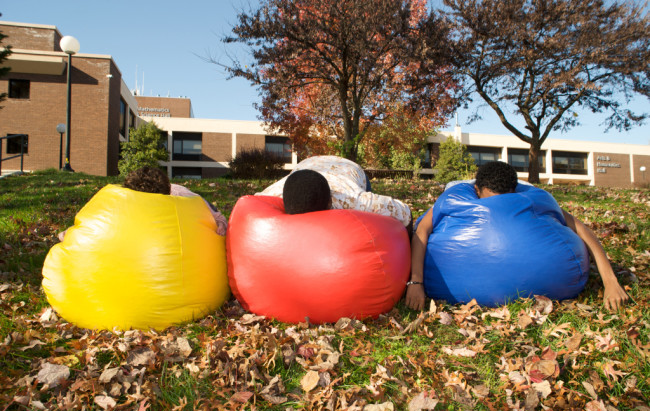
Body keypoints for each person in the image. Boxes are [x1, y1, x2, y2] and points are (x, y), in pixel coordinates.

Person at [406, 161, 629, 312]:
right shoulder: (455, 197)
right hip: (458, 188)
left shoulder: (536, 199)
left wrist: (611, 282)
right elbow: (421, 230)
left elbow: (582, 229)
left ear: (514, 192)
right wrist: (416, 282)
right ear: (477, 190)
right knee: (451, 186)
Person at [58, 167, 227, 240]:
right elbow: (93, 226)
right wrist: (71, 235)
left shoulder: (183, 196)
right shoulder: (122, 202)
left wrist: (220, 226)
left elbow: (218, 217)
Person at [258, 155, 412, 230]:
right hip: (309, 163)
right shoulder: (274, 194)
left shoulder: (353, 200)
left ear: (330, 202)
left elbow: (405, 213)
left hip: (348, 168)